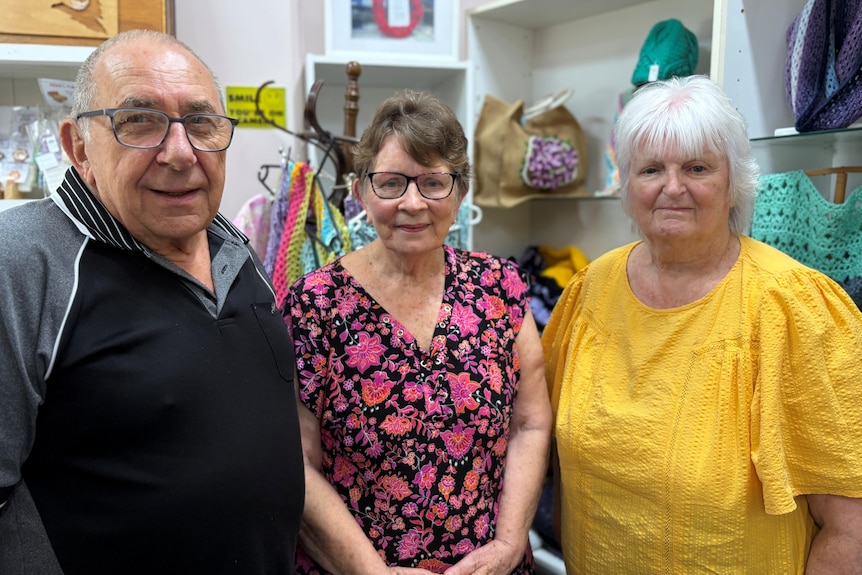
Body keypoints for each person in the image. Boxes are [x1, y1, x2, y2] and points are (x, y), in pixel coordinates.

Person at [0, 30, 304, 574]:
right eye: (140, 121)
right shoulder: (22, 263)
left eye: (202, 122)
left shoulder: (231, 243)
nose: (181, 153)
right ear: (78, 147)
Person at [543, 74, 862, 574]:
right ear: (626, 183)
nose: (673, 188)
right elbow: (552, 452)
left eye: (697, 167)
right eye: (651, 169)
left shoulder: (794, 306)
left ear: (734, 181)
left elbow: (851, 525)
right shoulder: (590, 290)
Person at [283, 90, 553, 575]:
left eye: (433, 182)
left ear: (460, 192)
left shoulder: (500, 286)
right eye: (391, 183)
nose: (412, 203)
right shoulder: (314, 304)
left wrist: (510, 545)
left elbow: (529, 424)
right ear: (362, 190)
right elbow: (296, 464)